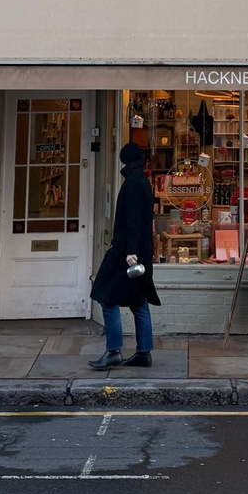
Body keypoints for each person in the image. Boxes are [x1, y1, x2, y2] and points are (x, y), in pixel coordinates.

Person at [88, 141, 160, 369]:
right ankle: (143, 353)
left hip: (126, 252)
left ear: (125, 160)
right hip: (140, 251)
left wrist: (131, 252)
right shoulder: (142, 180)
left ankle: (113, 351)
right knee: (138, 301)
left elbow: (134, 219)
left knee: (105, 294)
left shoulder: (133, 182)